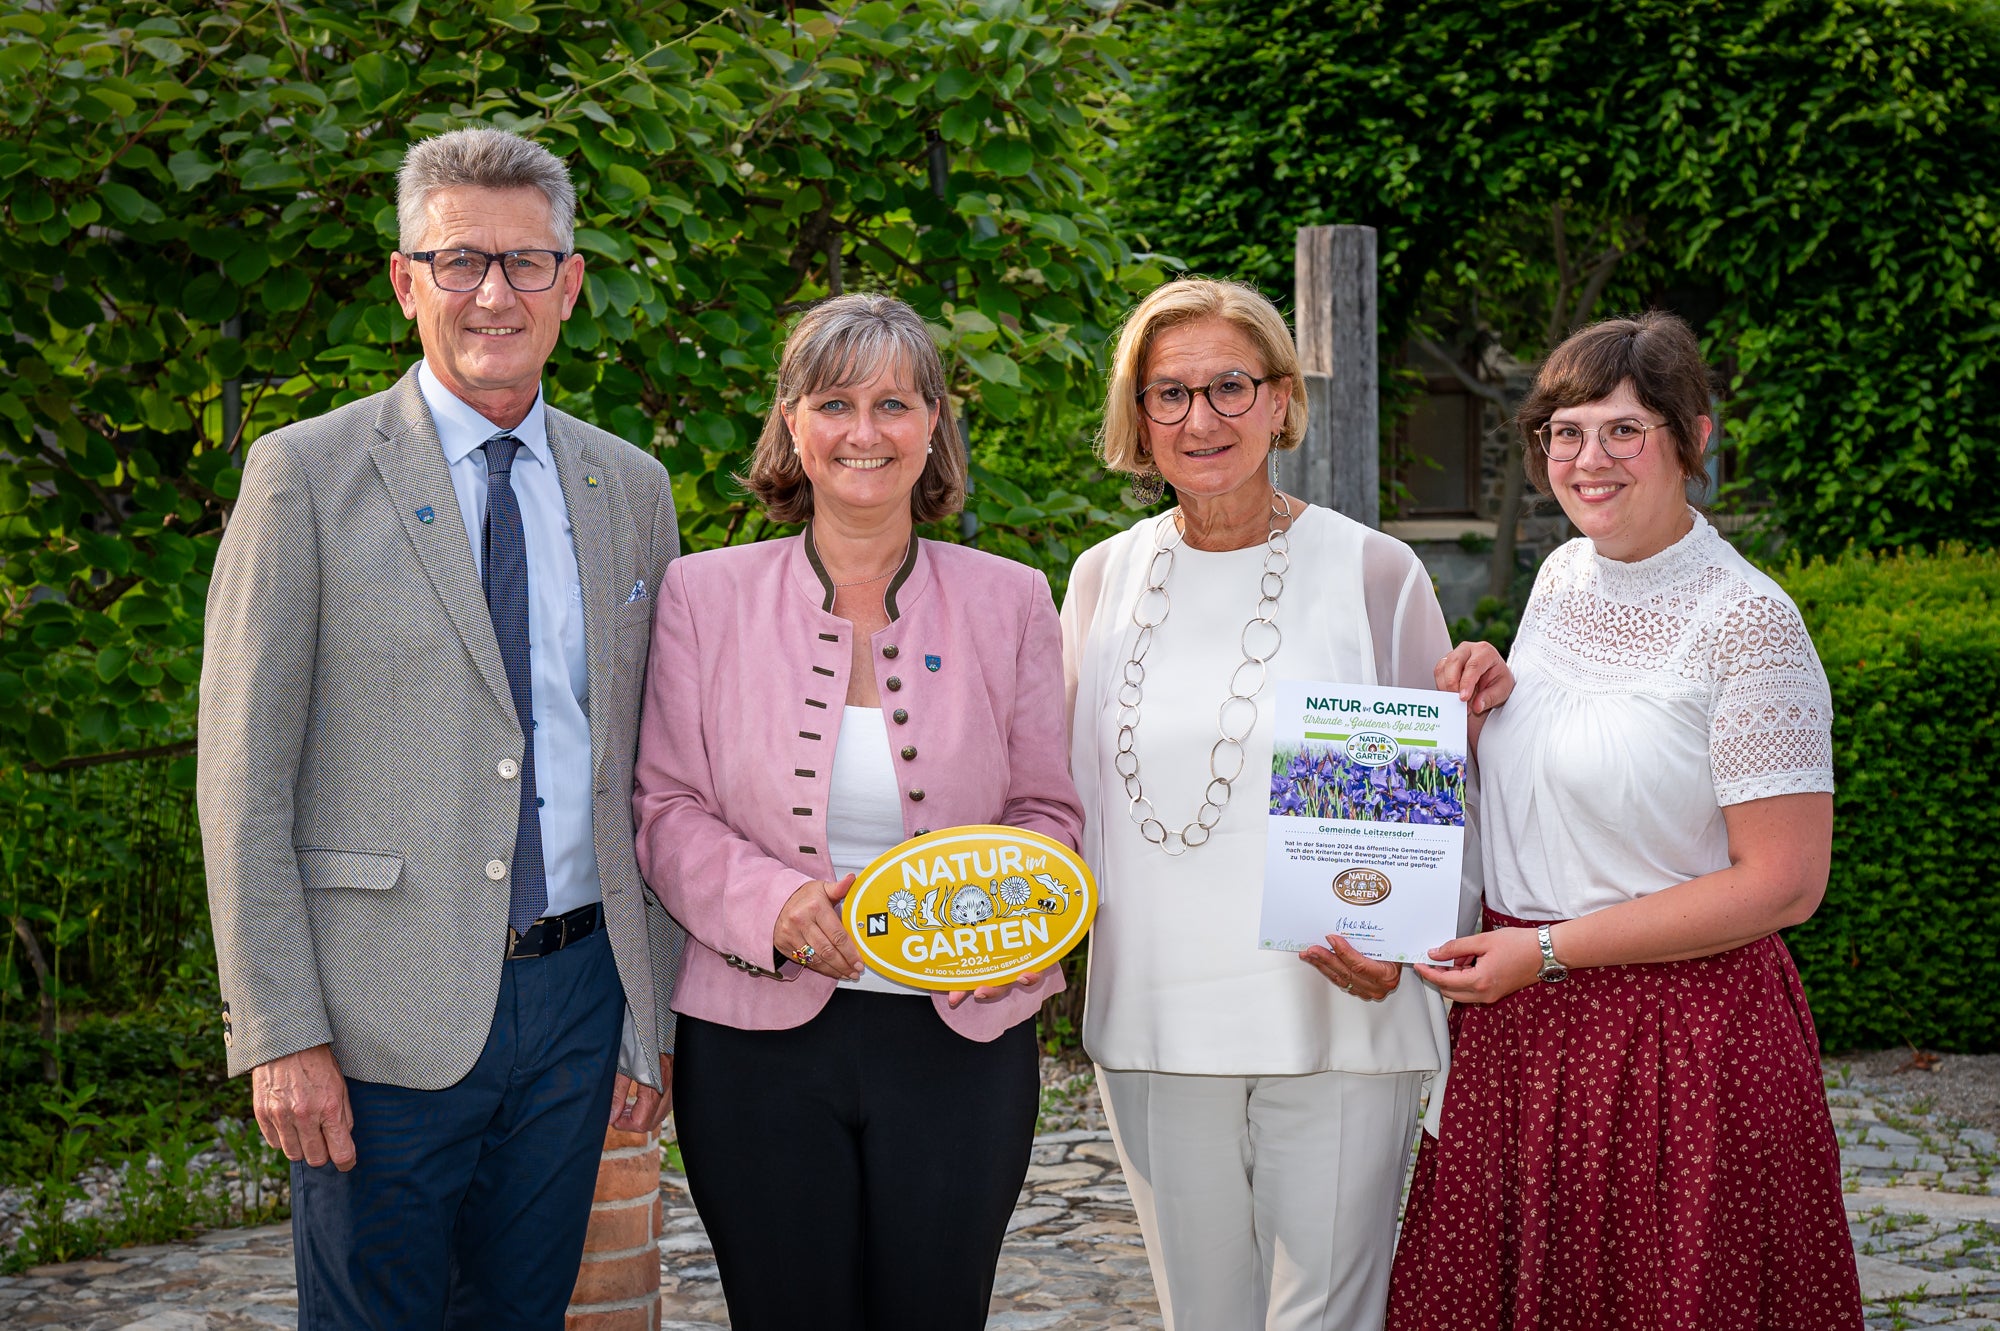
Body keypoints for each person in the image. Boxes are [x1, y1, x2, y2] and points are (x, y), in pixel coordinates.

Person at [198, 126, 683, 1330]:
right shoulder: (304, 476)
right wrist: (279, 1030)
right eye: (460, 260)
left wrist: (648, 1007)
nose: (493, 294)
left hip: (575, 1003)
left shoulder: (629, 487)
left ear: (570, 283)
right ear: (406, 279)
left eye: (525, 263)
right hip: (375, 1017)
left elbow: (651, 763)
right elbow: (243, 778)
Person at [1388, 312, 1863, 1329]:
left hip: (1678, 1041)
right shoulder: (1563, 576)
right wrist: (1491, 700)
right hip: (1520, 1025)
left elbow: (1784, 881)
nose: (1587, 458)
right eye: (1564, 431)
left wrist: (1546, 952)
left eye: (1623, 430)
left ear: (1693, 440)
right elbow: (1581, 767)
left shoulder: (1749, 623)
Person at [632, 292, 1083, 1331]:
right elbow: (665, 806)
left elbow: (1046, 811)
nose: (864, 432)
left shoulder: (1012, 597)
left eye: (893, 404)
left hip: (962, 1039)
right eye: (834, 403)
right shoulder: (703, 594)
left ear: (933, 423)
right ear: (792, 422)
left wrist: (1013, 926)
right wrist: (775, 906)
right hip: (755, 1041)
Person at [1060, 277, 1502, 1331]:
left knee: (1324, 1317)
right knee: (1202, 1316)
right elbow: (1063, 796)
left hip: (1338, 1002)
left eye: (1228, 385)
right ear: (1138, 414)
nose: (1199, 418)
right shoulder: (1102, 579)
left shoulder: (1372, 570)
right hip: (1156, 1014)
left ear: (1278, 399)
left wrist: (1408, 946)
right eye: (1169, 393)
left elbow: (1439, 791)